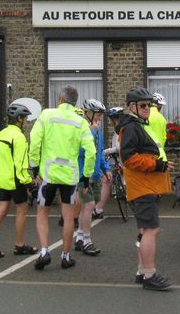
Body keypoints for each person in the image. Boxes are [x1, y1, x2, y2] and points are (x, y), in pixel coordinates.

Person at [29, 85, 96, 270]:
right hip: (70, 176)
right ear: (74, 102)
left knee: (42, 212)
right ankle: (65, 256)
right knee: (68, 216)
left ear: (59, 99)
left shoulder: (46, 115)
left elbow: (34, 141)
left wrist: (34, 167)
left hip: (48, 174)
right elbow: (91, 151)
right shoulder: (81, 121)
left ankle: (44, 251)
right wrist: (86, 176)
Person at [117, 86, 174, 290]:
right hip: (143, 187)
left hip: (147, 185)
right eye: (143, 105)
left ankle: (142, 271)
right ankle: (150, 275)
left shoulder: (139, 125)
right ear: (132, 106)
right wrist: (157, 164)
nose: (147, 108)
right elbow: (130, 158)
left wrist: (161, 164)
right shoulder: (132, 127)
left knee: (145, 230)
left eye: (149, 105)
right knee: (151, 229)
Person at [0, 102, 38, 258]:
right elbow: (21, 163)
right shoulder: (19, 137)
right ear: (19, 118)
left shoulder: (0, 135)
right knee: (22, 210)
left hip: (2, 180)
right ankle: (20, 245)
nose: (26, 121)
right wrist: (28, 181)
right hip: (16, 181)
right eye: (25, 118)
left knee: (1, 210)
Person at [74, 98, 110, 256]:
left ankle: (80, 238)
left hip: (94, 174)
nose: (100, 118)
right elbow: (80, 152)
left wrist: (105, 168)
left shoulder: (97, 129)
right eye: (98, 114)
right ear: (88, 113)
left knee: (86, 207)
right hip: (84, 175)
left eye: (101, 115)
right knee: (88, 206)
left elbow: (99, 151)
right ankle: (87, 241)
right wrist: (92, 132)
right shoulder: (82, 128)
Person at [93, 106, 125, 218]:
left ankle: (98, 208)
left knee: (106, 180)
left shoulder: (119, 129)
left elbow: (118, 147)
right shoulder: (124, 127)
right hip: (122, 159)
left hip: (122, 160)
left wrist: (103, 152)